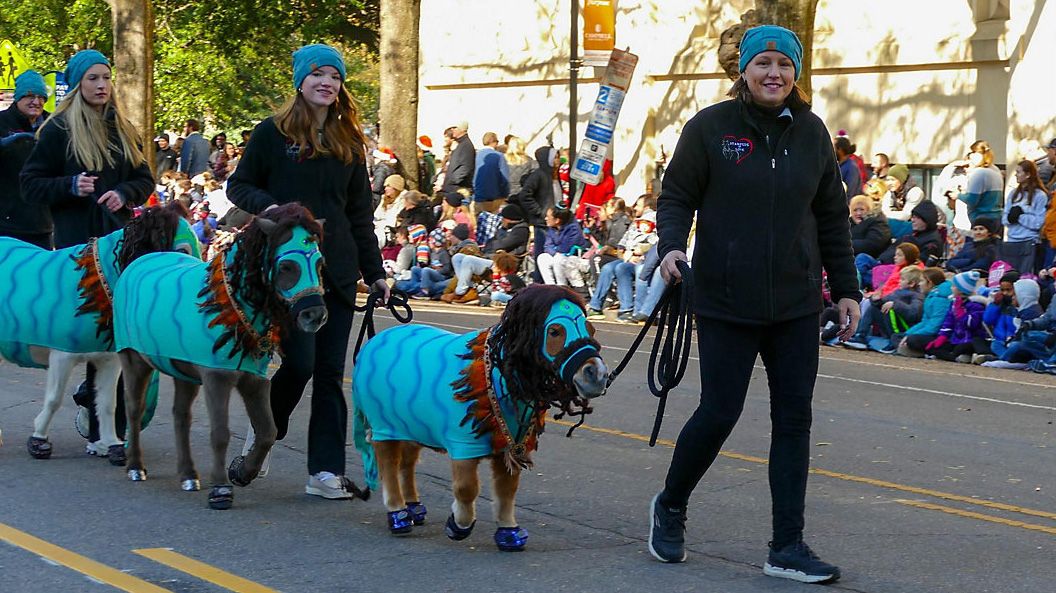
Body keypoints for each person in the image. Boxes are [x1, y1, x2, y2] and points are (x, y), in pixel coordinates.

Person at [650, 26, 858, 584]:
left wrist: (845, 288)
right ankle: (670, 505)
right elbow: (676, 197)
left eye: (784, 65)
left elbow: (832, 219)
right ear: (743, 70)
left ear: (796, 73)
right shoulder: (711, 128)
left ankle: (786, 545)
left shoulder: (813, 134)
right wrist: (671, 247)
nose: (774, 74)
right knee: (720, 412)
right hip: (724, 299)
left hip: (794, 305)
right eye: (763, 62)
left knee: (794, 420)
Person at [227, 43, 388, 499]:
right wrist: (270, 207)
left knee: (330, 374)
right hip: (289, 274)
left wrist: (374, 271)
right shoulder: (271, 134)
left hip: (333, 271)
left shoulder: (349, 143)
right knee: (297, 364)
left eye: (334, 77)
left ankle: (324, 472)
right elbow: (238, 185)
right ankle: (263, 435)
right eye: (317, 74)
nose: (327, 83)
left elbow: (359, 215)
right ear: (300, 80)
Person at [20, 50, 154, 445]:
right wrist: (69, 186)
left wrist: (124, 193)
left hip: (118, 245)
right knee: (83, 331)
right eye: (93, 79)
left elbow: (145, 179)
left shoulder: (123, 128)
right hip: (76, 249)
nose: (101, 86)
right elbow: (30, 184)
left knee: (114, 334)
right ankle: (62, 410)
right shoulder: (58, 130)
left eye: (106, 78)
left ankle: (102, 431)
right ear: (78, 84)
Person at [0, 70, 52, 248]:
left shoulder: (53, 124)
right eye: (30, 96)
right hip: (7, 224)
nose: (36, 102)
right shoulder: (2, 123)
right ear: (18, 97)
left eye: (41, 97)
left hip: (43, 225)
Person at [1001, 159, 1048, 274]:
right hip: (1012, 240)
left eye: (1019, 172)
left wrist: (1020, 216)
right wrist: (1011, 217)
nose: (1016, 175)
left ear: (1028, 174)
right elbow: (1004, 219)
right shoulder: (1013, 194)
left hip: (1029, 242)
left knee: (1025, 275)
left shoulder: (1040, 195)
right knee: (1011, 274)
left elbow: (1038, 223)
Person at [958, 140, 1004, 224]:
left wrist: (957, 195)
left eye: (972, 152)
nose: (971, 156)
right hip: (996, 217)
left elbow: (972, 200)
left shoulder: (979, 173)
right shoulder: (995, 170)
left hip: (981, 219)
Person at [879, 164, 925, 236]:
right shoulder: (891, 193)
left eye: (893, 180)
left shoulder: (915, 192)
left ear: (902, 180)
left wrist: (887, 214)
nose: (889, 183)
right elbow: (883, 210)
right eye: (888, 180)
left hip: (924, 227)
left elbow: (906, 215)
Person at [472, 131, 509, 213]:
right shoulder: (499, 156)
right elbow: (504, 178)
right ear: (494, 142)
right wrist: (505, 195)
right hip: (494, 197)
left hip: (478, 195)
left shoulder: (476, 155)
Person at [442, 120, 475, 195]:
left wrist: (452, 180)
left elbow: (466, 167)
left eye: (455, 128)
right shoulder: (460, 144)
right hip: (452, 188)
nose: (452, 130)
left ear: (462, 129)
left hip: (458, 189)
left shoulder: (466, 145)